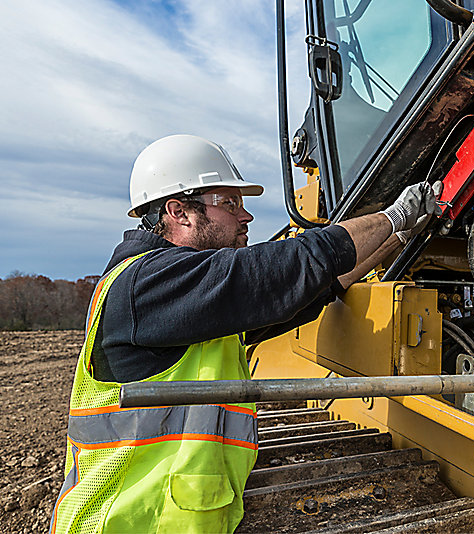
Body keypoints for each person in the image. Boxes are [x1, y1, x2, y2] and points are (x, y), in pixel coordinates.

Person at [51, 134, 441, 534]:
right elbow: (277, 270)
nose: (246, 216)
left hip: (171, 518)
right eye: (229, 203)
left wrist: (400, 236)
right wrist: (393, 216)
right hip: (123, 522)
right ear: (178, 211)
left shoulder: (190, 299)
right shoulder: (147, 283)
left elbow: (309, 289)